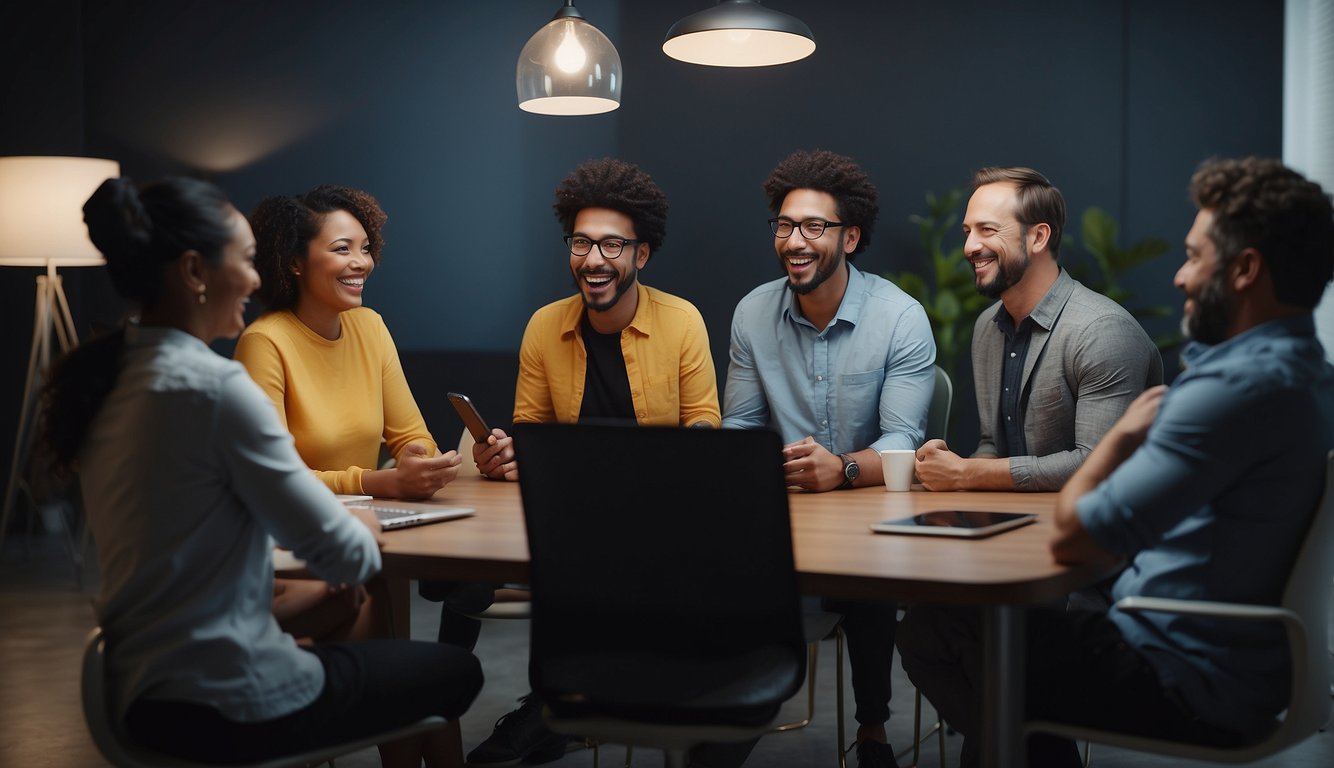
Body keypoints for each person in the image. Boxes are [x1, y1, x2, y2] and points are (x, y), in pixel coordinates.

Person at [897, 157, 1334, 767]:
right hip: (1245, 660)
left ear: (1245, 270)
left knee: (941, 631)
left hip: (1176, 666)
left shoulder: (1229, 390)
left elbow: (1079, 538)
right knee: (976, 641)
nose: (1180, 277)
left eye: (1194, 256)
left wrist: (1121, 440)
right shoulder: (1306, 375)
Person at [41, 176, 482, 767]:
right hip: (228, 702)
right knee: (454, 671)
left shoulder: (105, 380)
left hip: (136, 692)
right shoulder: (218, 389)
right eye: (246, 261)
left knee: (361, 624)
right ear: (196, 272)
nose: (255, 279)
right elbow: (347, 554)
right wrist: (372, 515)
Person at [466, 158, 723, 766]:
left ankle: (577, 704)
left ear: (642, 255)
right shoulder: (544, 326)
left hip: (662, 510)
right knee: (501, 563)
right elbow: (530, 430)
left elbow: (705, 427)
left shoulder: (681, 320)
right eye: (582, 243)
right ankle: (555, 706)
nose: (594, 259)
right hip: (570, 511)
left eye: (612, 244)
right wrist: (507, 455)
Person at [722, 149, 936, 768]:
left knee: (865, 570)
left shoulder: (899, 318)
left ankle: (873, 735)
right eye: (785, 226)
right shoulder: (751, 313)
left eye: (814, 227)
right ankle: (720, 723)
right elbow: (738, 428)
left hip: (868, 515)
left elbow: (903, 441)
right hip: (780, 515)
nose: (795, 240)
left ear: (851, 236)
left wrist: (840, 469)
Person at [234, 185, 468, 645]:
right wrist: (379, 481)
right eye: (343, 249)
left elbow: (410, 434)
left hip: (358, 529)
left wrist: (416, 459)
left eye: (366, 248)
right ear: (296, 261)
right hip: (290, 541)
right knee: (366, 600)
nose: (362, 262)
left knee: (378, 588)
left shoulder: (370, 326)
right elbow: (275, 487)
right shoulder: (265, 343)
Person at [914, 167, 1162, 493]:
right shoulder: (987, 328)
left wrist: (967, 473)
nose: (970, 246)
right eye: (967, 231)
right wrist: (949, 468)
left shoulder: (1102, 332)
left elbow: (1096, 464)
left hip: (1096, 530)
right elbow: (993, 445)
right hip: (1015, 519)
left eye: (987, 230)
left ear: (1038, 237)